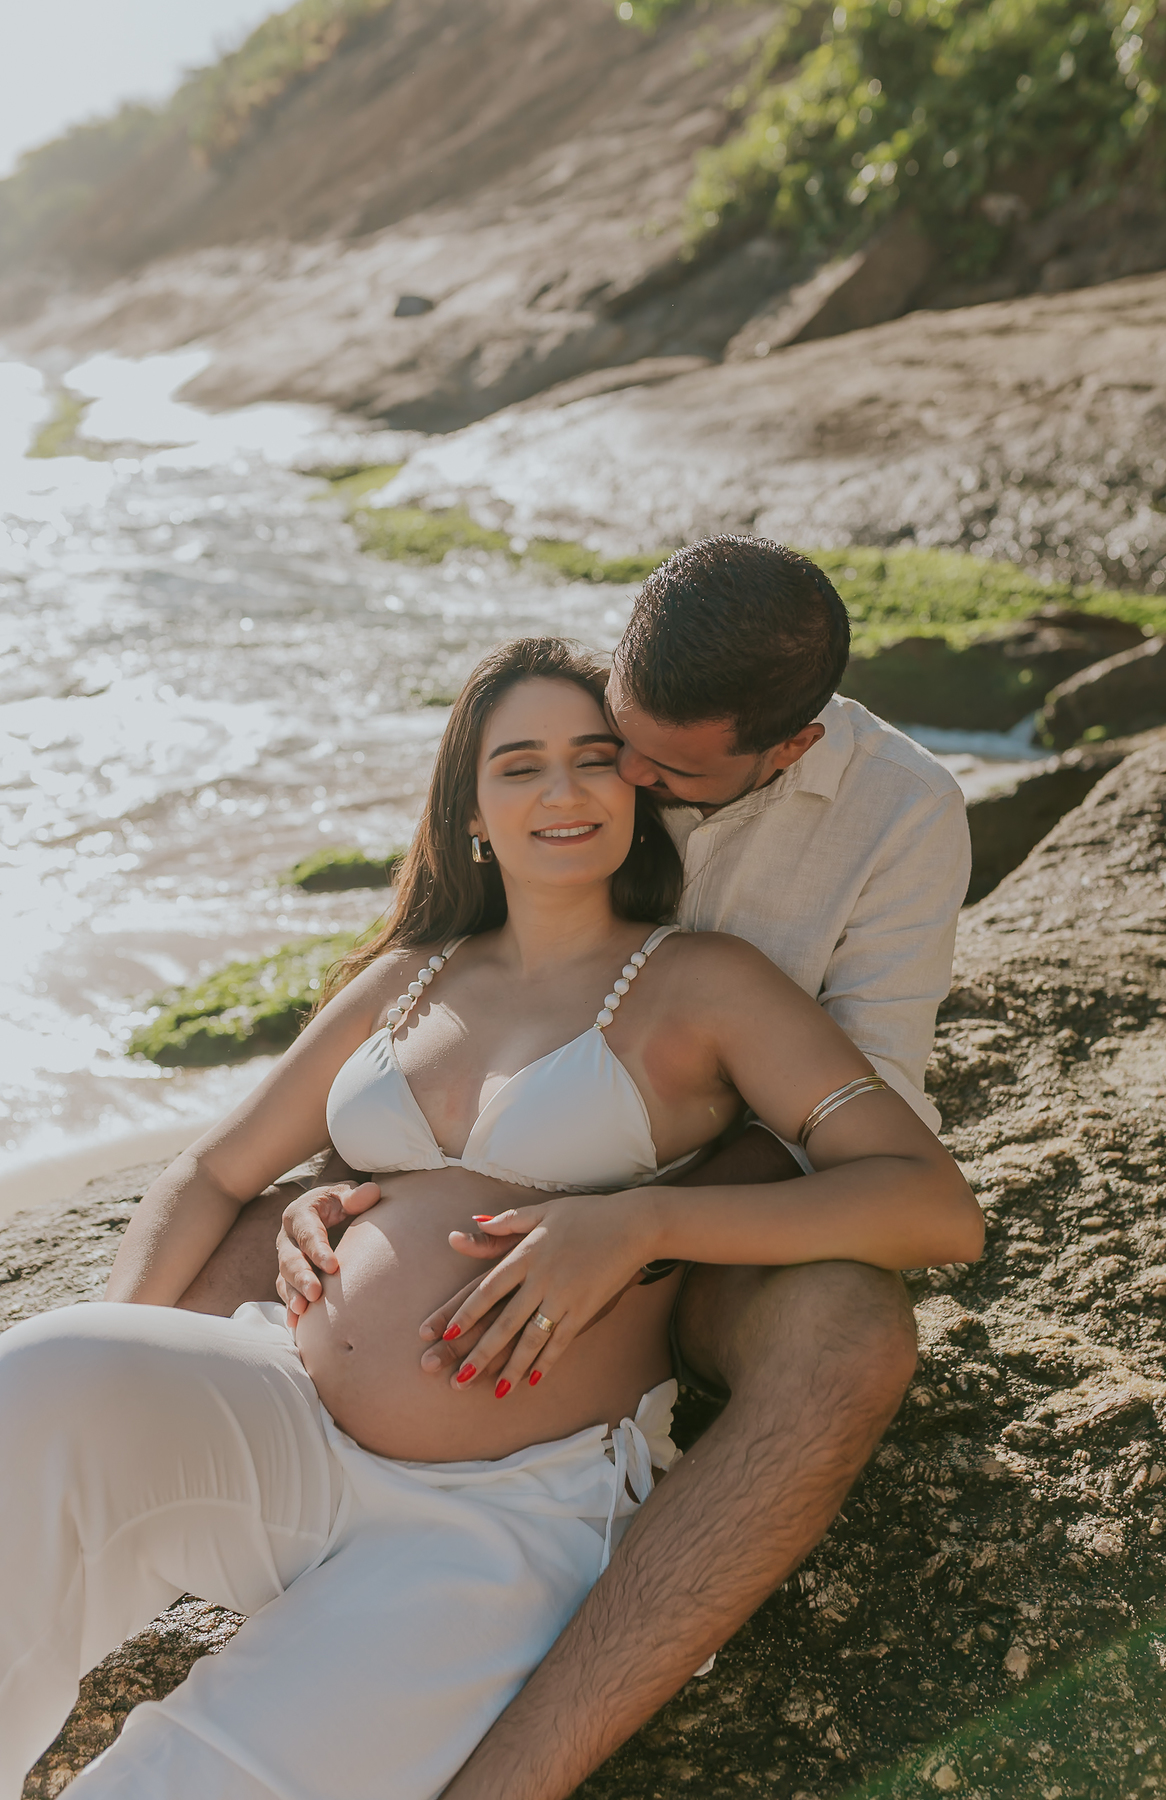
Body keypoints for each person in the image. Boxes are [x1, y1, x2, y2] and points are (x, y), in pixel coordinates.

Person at [0, 631, 981, 1800]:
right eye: (520, 765)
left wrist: (641, 1227)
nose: (563, 790)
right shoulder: (409, 973)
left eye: (593, 759)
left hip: (494, 1513)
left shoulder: (707, 980)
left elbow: (931, 1206)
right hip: (287, 1425)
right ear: (470, 808)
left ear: (640, 788)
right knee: (50, 1373)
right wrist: (144, 1354)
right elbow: (212, 1172)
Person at [267, 536, 976, 1800]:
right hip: (476, 1173)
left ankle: (521, 1773)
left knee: (850, 1337)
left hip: (718, 1210)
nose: (623, 780)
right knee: (236, 1225)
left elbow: (871, 1124)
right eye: (617, 743)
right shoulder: (609, 707)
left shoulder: (902, 815)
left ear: (790, 748)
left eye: (665, 768)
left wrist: (640, 1225)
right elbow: (462, 960)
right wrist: (359, 1163)